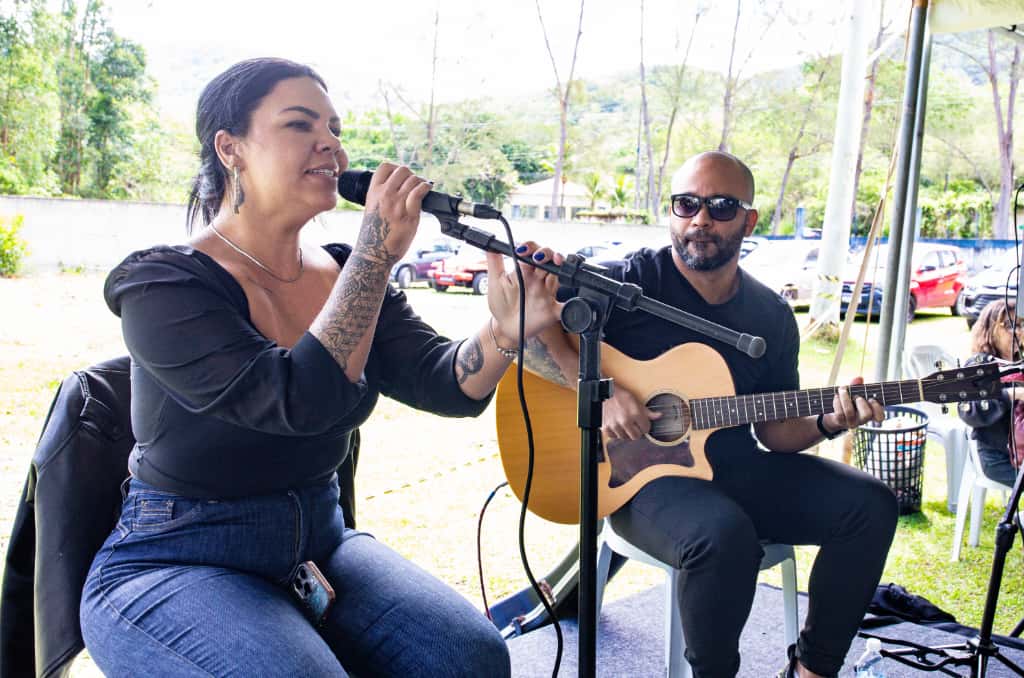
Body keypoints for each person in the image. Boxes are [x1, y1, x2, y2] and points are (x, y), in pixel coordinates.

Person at [78, 57, 563, 678]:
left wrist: (506, 331)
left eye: (334, 128)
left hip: (319, 542)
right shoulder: (162, 282)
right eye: (300, 125)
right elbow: (296, 400)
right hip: (178, 555)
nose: (330, 145)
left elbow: (448, 385)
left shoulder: (340, 268)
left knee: (469, 655)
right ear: (231, 148)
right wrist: (374, 254)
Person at [523, 151, 899, 678]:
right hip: (636, 481)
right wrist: (599, 391)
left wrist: (830, 420)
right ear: (671, 213)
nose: (700, 218)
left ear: (749, 219)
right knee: (723, 535)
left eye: (721, 206)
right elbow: (527, 317)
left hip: (733, 468)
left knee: (870, 504)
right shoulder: (626, 284)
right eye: (686, 204)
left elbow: (776, 432)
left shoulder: (769, 315)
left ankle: (813, 670)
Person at [958, 298, 1024, 487]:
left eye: (1020, 326)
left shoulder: (1019, 364)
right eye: (1009, 326)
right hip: (998, 459)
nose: (1018, 333)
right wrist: (1013, 394)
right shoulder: (980, 365)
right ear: (991, 330)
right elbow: (969, 412)